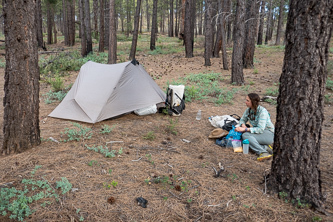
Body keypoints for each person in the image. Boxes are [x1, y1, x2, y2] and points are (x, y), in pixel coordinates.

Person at [235, 93, 274, 161]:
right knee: (243, 139)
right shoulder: (249, 110)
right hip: (258, 134)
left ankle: (263, 152)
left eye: (247, 101)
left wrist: (245, 129)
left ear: (253, 102)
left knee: (246, 136)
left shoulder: (262, 112)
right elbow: (242, 120)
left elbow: (260, 129)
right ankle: (265, 147)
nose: (245, 102)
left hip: (268, 134)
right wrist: (243, 125)